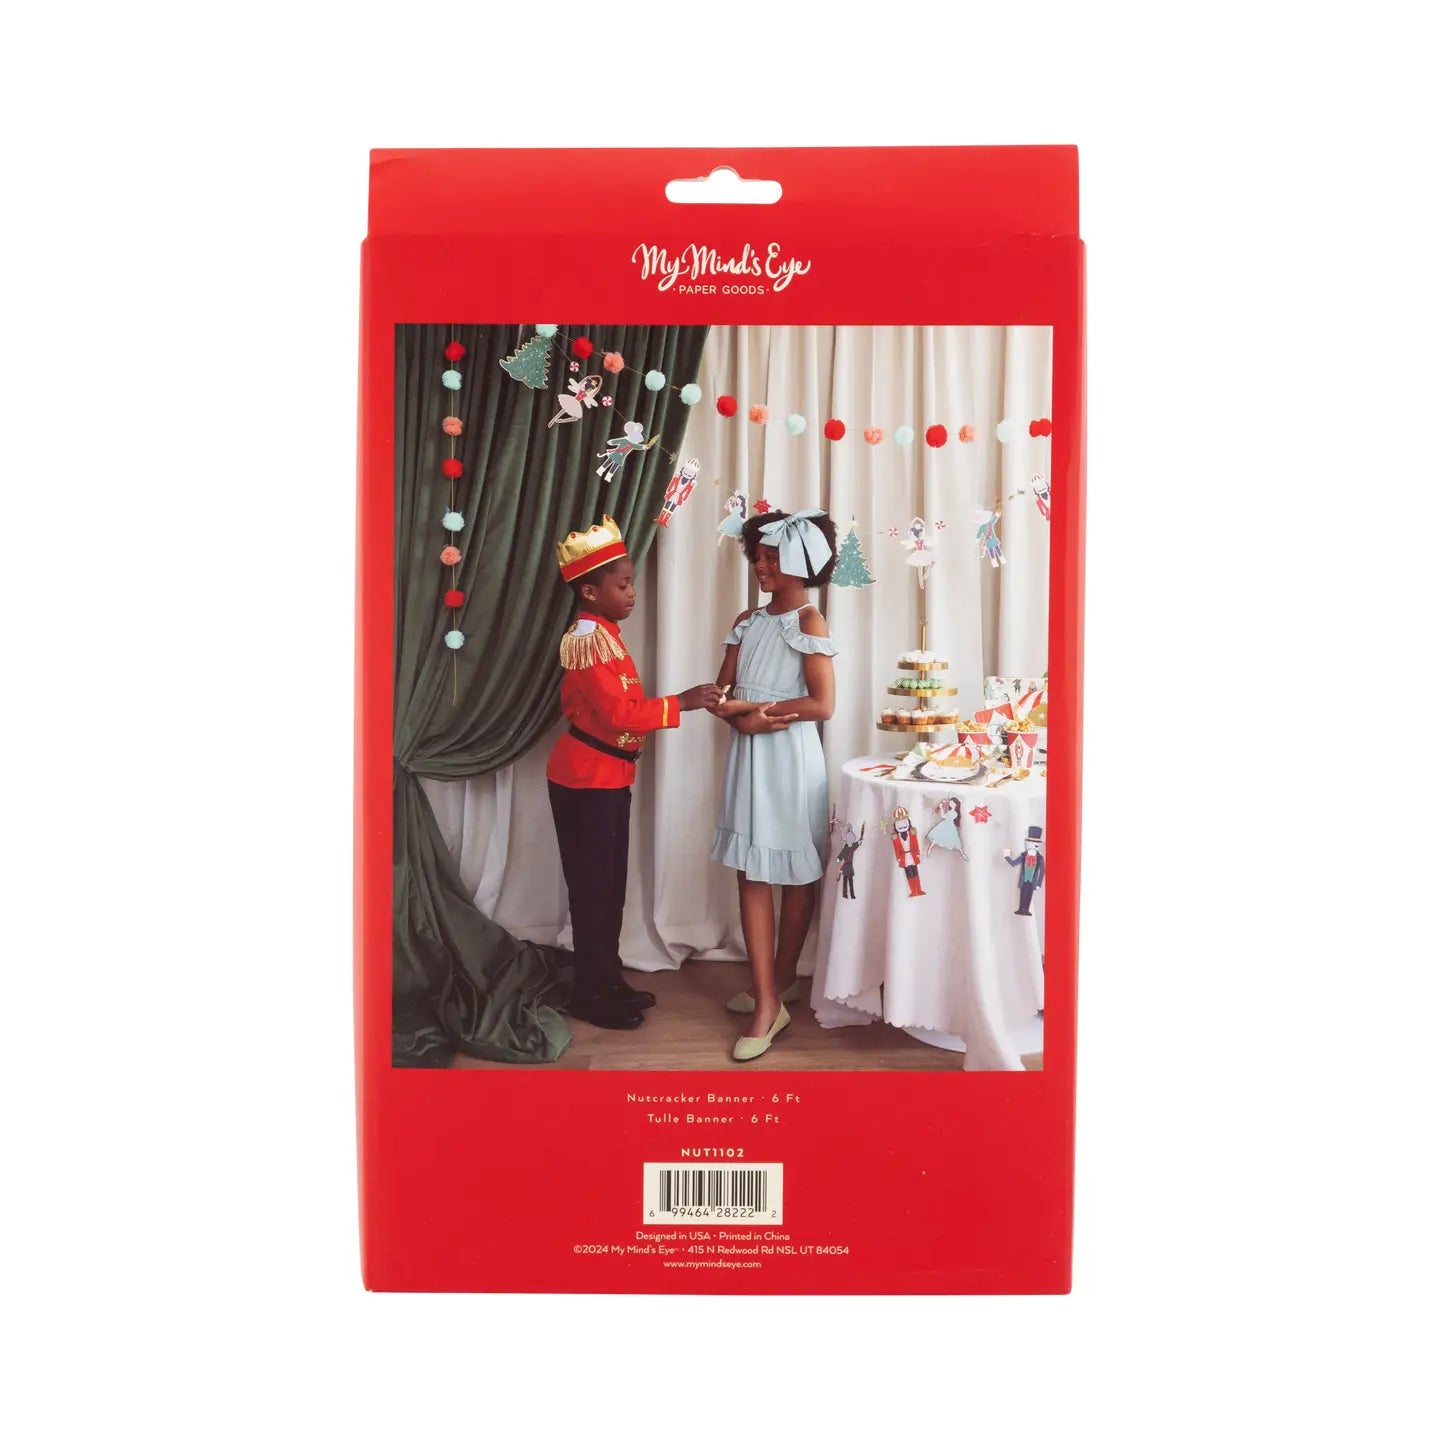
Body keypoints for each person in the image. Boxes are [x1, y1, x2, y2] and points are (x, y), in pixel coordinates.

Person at [546, 516, 722, 1030]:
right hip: (585, 781)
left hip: (606, 778)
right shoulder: (588, 638)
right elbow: (620, 714)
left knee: (609, 888)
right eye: (622, 585)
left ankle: (607, 978)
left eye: (631, 583)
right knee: (592, 891)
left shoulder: (604, 634)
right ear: (590, 591)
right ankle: (590, 993)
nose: (632, 593)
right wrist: (681, 702)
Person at [709, 507, 839, 1061]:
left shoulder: (809, 622)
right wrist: (740, 716)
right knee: (753, 871)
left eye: (771, 557)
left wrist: (759, 714)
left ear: (801, 561)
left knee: (796, 874)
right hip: (751, 757)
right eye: (756, 557)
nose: (760, 566)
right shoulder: (748, 621)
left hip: (790, 758)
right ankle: (765, 998)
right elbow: (722, 693)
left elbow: (822, 704)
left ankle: (780, 982)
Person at [1003, 825, 1045, 916]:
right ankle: (1021, 909)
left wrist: (1038, 883)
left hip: (1032, 881)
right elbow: (1013, 863)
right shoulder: (1024, 855)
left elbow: (1042, 871)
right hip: (1024, 879)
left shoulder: (1040, 858)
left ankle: (1026, 909)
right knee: (1023, 894)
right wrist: (1007, 856)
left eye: (1035, 844)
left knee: (1029, 894)